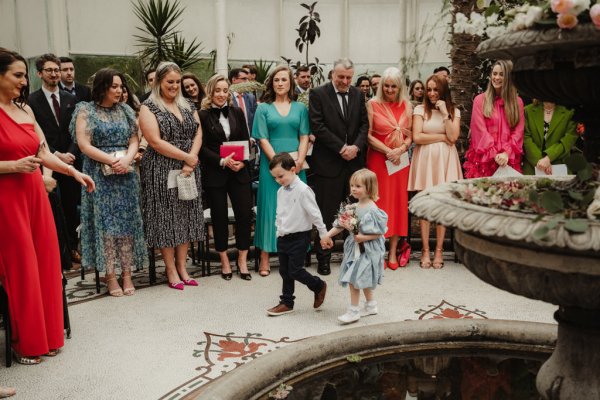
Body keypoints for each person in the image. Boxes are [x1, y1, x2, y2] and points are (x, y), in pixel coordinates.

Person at [0, 47, 94, 364]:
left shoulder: (25, 111)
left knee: (46, 263)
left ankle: (50, 335)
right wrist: (11, 167)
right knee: (22, 269)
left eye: (25, 75)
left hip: (35, 196)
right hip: (7, 201)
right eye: (17, 75)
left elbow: (44, 152)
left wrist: (73, 171)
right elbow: (19, 162)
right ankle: (25, 342)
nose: (23, 81)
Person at [71, 68, 148, 296]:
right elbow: (84, 145)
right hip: (99, 174)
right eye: (114, 86)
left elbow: (134, 139)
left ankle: (126, 274)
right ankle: (110, 275)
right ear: (102, 87)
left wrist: (127, 159)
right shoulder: (85, 110)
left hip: (126, 174)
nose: (119, 90)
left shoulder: (125, 110)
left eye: (121, 87)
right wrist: (112, 161)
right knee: (106, 227)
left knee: (125, 226)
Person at [139, 61, 204, 290]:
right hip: (161, 168)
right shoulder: (149, 107)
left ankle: (183, 266)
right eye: (170, 82)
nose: (175, 86)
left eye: (177, 82)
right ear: (158, 82)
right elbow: (155, 142)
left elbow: (198, 133)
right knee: (166, 218)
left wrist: (192, 158)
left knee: (185, 215)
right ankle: (170, 269)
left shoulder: (187, 105)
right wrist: (186, 157)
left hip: (189, 168)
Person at [309, 58, 368, 276]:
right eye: (341, 76)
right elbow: (317, 125)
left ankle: (353, 255)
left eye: (348, 77)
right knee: (326, 214)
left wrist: (356, 147)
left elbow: (364, 125)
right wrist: (341, 147)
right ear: (332, 74)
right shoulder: (318, 94)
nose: (344, 81)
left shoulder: (358, 95)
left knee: (354, 212)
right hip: (328, 164)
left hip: (354, 164)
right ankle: (323, 258)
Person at [252, 65, 310, 276]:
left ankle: (296, 257)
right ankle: (265, 257)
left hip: (296, 166)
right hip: (271, 168)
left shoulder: (300, 108)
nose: (280, 83)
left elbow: (304, 136)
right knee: (270, 209)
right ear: (271, 83)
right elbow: (262, 138)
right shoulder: (263, 108)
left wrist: (300, 160)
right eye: (276, 80)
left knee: (296, 209)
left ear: (290, 83)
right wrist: (277, 164)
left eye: (284, 80)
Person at [199, 74, 253, 281]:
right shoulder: (202, 115)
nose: (221, 94)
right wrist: (222, 161)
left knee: (244, 215)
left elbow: (245, 140)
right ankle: (224, 260)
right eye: (217, 90)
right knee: (219, 217)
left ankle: (242, 259)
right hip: (216, 173)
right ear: (210, 92)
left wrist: (243, 162)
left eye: (225, 90)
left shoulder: (237, 112)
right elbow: (201, 147)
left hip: (239, 171)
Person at [28, 53, 81, 267]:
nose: (54, 74)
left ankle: (73, 248)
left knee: (72, 206)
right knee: (51, 208)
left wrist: (70, 153)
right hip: (46, 161)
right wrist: (55, 154)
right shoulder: (31, 101)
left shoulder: (71, 99)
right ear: (40, 73)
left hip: (71, 160)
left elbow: (77, 131)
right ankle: (58, 252)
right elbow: (35, 135)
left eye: (56, 70)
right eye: (49, 70)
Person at [408, 74, 462, 269]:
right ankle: (424, 250)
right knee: (424, 206)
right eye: (428, 89)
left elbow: (454, 136)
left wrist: (445, 113)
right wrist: (441, 137)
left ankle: (438, 250)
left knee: (440, 206)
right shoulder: (420, 109)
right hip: (425, 160)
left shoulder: (453, 111)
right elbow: (417, 137)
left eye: (435, 89)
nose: (431, 93)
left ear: (443, 90)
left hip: (446, 161)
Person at [321, 169, 388, 324]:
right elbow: (340, 225)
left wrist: (363, 237)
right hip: (355, 248)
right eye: (352, 185)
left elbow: (380, 232)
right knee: (360, 276)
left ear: (369, 188)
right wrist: (327, 235)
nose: (354, 189)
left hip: (368, 249)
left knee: (354, 278)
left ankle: (353, 311)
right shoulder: (351, 208)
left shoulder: (373, 210)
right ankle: (371, 305)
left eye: (358, 186)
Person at [266, 153, 328, 316]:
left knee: (295, 270)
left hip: (300, 237)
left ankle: (318, 285)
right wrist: (278, 230)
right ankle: (287, 302)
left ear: (293, 170)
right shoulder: (280, 191)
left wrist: (324, 234)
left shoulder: (303, 190)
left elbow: (316, 214)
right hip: (283, 237)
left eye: (281, 176)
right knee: (284, 271)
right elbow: (281, 213)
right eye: (275, 178)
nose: (278, 180)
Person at [365, 67, 412, 270]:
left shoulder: (407, 106)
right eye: (386, 85)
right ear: (381, 86)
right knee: (379, 204)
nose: (390, 89)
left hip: (399, 163)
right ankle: (378, 251)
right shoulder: (372, 104)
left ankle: (392, 252)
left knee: (397, 204)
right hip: (378, 160)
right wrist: (387, 151)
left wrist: (400, 149)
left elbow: (411, 135)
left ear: (399, 87)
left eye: (394, 86)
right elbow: (367, 135)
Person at [464, 60, 524, 178]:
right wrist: (495, 153)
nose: (496, 77)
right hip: (485, 159)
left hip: (508, 159)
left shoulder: (518, 102)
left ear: (508, 78)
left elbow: (518, 132)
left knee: (509, 195)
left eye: (501, 74)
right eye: (494, 74)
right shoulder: (479, 100)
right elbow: (479, 131)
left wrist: (506, 153)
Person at [523, 100, 578, 175]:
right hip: (532, 167)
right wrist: (540, 161)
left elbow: (568, 140)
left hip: (559, 167)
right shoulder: (527, 111)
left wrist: (548, 158)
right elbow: (525, 138)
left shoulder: (570, 112)